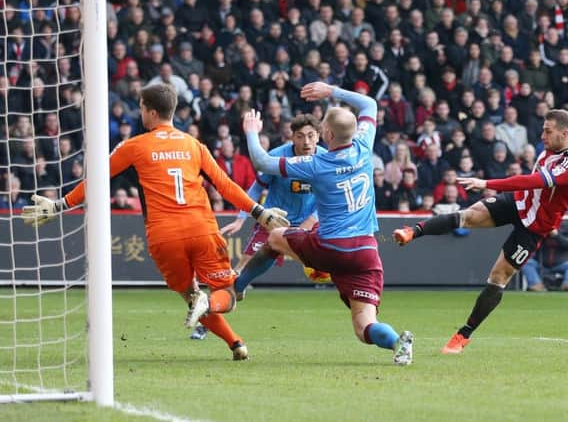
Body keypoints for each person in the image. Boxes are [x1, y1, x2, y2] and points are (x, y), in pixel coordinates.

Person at [22, 83, 289, 360]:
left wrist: (59, 204)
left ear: (149, 112)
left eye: (140, 108)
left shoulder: (134, 146)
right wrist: (259, 212)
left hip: (163, 237)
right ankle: (213, 308)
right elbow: (226, 185)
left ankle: (236, 344)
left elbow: (97, 180)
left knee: (190, 296)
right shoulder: (194, 145)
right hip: (202, 229)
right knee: (229, 294)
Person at [243, 82, 414, 366]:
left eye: (322, 128)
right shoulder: (364, 145)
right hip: (366, 251)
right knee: (364, 327)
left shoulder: (315, 164)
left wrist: (251, 132)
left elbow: (261, 162)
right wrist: (332, 90)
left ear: (329, 134)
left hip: (331, 246)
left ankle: (238, 287)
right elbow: (370, 104)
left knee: (275, 237)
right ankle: (398, 342)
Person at [394, 109, 568, 354]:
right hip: (519, 202)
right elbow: (529, 185)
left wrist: (487, 184)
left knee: (498, 277)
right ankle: (413, 232)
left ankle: (463, 335)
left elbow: (532, 181)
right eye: (543, 129)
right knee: (469, 215)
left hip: (535, 226)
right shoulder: (556, 145)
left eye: (547, 131)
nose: (542, 135)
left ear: (565, 133)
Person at [219, 114, 326, 298]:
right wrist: (240, 218)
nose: (306, 142)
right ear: (292, 137)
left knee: (330, 261)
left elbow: (330, 196)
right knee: (242, 267)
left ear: (318, 136)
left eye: (311, 135)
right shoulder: (277, 156)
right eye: (300, 136)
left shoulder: (326, 160)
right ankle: (228, 296)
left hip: (309, 222)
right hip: (274, 220)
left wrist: (312, 219)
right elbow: (256, 189)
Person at [521, 225, 568, 291]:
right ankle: (536, 284)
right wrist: (544, 234)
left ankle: (567, 285)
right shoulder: (542, 228)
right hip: (542, 264)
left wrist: (557, 236)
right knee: (527, 263)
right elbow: (534, 243)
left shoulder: (566, 229)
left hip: (560, 264)